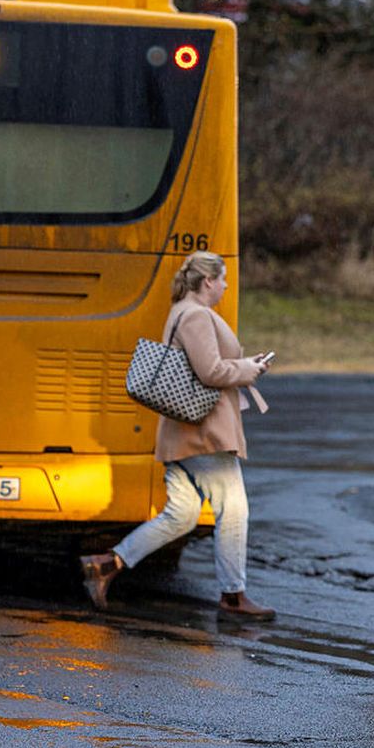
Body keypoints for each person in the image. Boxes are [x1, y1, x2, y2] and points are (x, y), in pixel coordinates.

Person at [80, 251, 275, 620]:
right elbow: (211, 371)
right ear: (207, 282)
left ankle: (108, 563)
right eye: (224, 279)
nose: (226, 286)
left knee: (181, 516)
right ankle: (233, 596)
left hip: (182, 434)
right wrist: (248, 368)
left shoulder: (181, 312)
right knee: (233, 511)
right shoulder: (196, 315)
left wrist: (245, 367)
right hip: (204, 434)